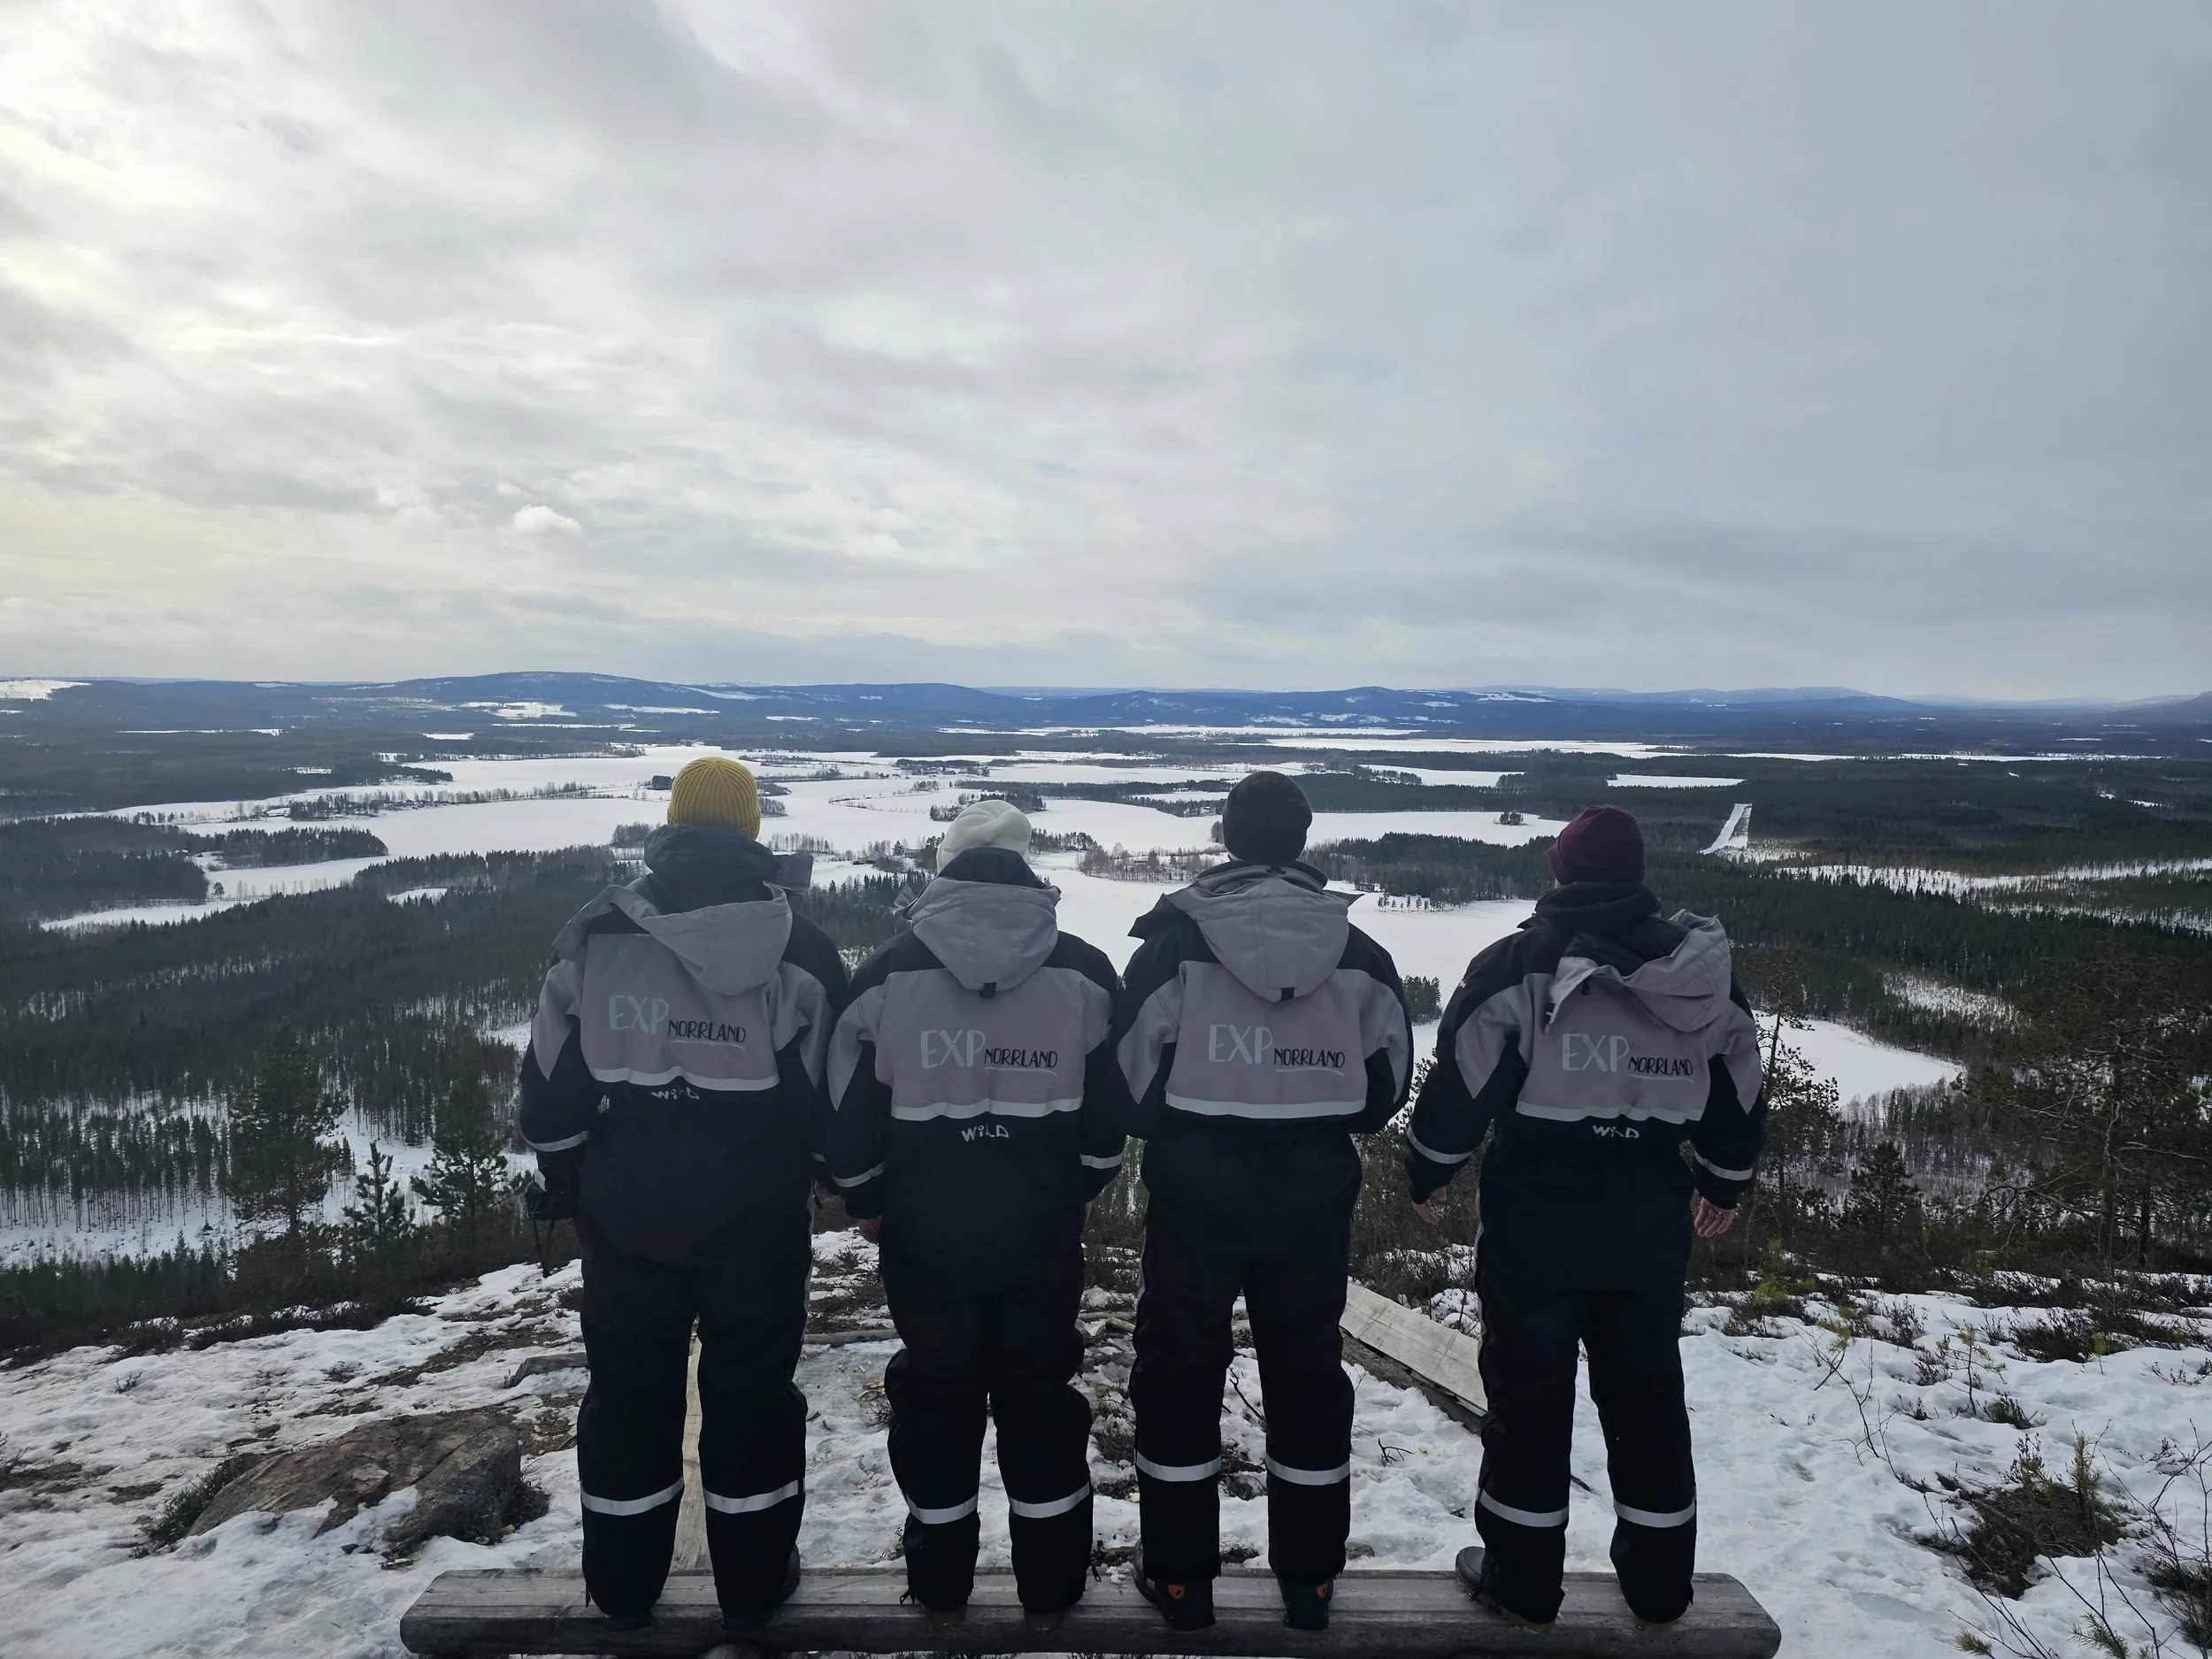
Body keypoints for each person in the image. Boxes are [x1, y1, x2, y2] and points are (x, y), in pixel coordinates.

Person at [1404, 804, 1765, 1632]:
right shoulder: (1701, 974)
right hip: (1647, 1211)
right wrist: (1722, 1178)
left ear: (1561, 873)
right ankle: (1662, 1582)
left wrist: (1430, 1169)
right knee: (1646, 1391)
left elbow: (1462, 1078)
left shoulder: (1519, 964)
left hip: (1538, 1211)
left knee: (1528, 1395)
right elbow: (1738, 1083)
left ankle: (1522, 1579)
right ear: (1636, 876)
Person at [518, 756, 848, 1634]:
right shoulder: (802, 952)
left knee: (629, 1395)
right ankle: (753, 1582)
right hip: (758, 1223)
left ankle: (625, 1585)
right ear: (749, 832)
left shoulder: (597, 937)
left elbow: (549, 1093)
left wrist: (566, 1176)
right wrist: (829, 1177)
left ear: (671, 824)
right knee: (752, 1396)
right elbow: (835, 1102)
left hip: (627, 1219)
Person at [1114, 771, 1414, 1632]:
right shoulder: (1358, 951)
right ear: (1303, 837)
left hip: (1196, 1190)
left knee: (1178, 1369)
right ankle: (1310, 1580)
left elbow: (1129, 1086)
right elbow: (1384, 1082)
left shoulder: (1175, 945)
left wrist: (1192, 1107)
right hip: (1313, 1194)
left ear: (1226, 836)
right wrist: (1313, 1107)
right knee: (1307, 1372)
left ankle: (1178, 1580)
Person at [820, 797, 1129, 1623]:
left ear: (943, 866)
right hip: (1039, 1232)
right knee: (1039, 1394)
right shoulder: (1086, 971)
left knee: (937, 1397)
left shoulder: (887, 974)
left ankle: (941, 1586)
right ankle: (1055, 1584)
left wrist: (871, 1200)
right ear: (1027, 867)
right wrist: (1074, 1192)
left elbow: (846, 1122)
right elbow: (1109, 1122)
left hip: (925, 1234)